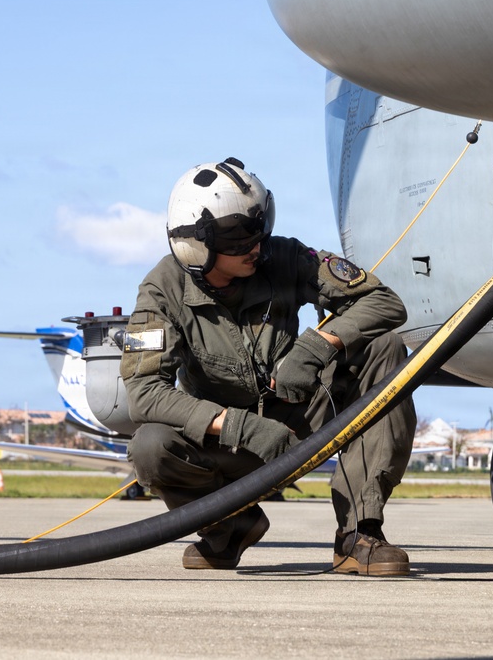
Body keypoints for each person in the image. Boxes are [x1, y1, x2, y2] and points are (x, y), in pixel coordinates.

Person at [121, 158, 416, 576]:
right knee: (150, 446)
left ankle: (359, 533)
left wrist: (316, 346)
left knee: (384, 348)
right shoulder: (162, 291)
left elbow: (385, 303)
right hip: (229, 445)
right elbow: (144, 392)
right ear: (196, 246)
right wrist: (242, 427)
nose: (256, 248)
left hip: (305, 421)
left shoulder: (284, 257)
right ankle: (227, 529)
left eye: (259, 233)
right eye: (240, 242)